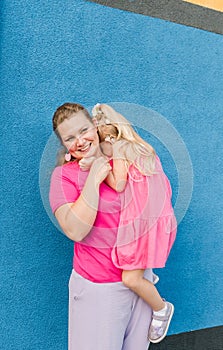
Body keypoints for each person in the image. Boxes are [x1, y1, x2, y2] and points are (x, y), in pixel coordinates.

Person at [49, 102, 161, 350]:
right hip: (99, 290)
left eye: (83, 130)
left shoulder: (121, 161)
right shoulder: (63, 177)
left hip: (138, 279)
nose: (80, 141)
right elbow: (76, 230)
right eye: (70, 138)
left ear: (95, 127)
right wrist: (95, 177)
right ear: (64, 145)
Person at [79, 103, 177, 344]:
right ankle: (149, 290)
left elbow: (120, 184)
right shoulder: (141, 148)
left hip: (139, 225)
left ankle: (161, 308)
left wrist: (97, 168)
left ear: (105, 132)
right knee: (136, 272)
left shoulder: (120, 149)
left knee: (129, 279)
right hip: (152, 223)